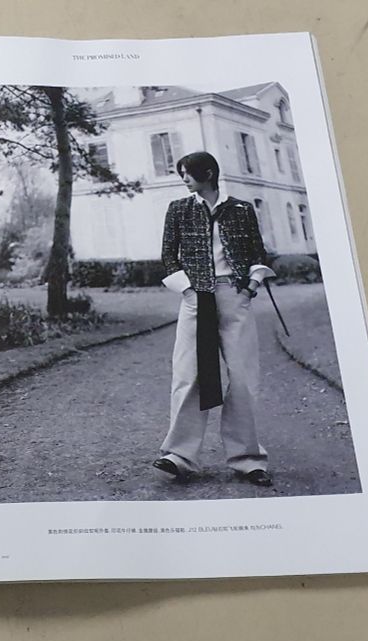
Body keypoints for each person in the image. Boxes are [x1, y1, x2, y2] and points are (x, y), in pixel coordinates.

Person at [154, 151, 276, 487]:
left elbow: (257, 252)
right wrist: (188, 291)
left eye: (188, 173)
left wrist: (250, 287)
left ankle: (248, 459)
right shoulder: (179, 209)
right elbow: (168, 255)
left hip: (234, 296)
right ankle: (178, 456)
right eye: (181, 173)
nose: (184, 179)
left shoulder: (241, 209)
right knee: (188, 375)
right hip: (196, 298)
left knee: (243, 377)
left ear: (208, 173)